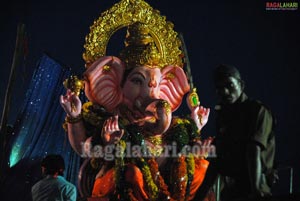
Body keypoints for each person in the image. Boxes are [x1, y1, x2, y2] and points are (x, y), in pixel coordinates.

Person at [59, 0, 214, 200]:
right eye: (137, 81)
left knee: (201, 170)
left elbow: (177, 150)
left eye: (155, 84)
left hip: (168, 187)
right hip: (124, 183)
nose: (149, 90)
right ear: (113, 83)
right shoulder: (113, 122)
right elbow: (83, 148)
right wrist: (78, 120)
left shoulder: (170, 126)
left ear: (165, 86)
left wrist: (195, 127)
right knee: (129, 175)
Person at [196, 64, 276, 201]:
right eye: (219, 88)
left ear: (241, 85)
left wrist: (256, 190)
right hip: (232, 192)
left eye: (230, 85)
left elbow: (254, 149)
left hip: (255, 190)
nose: (225, 91)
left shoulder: (256, 111)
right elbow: (217, 161)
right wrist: (198, 197)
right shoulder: (224, 117)